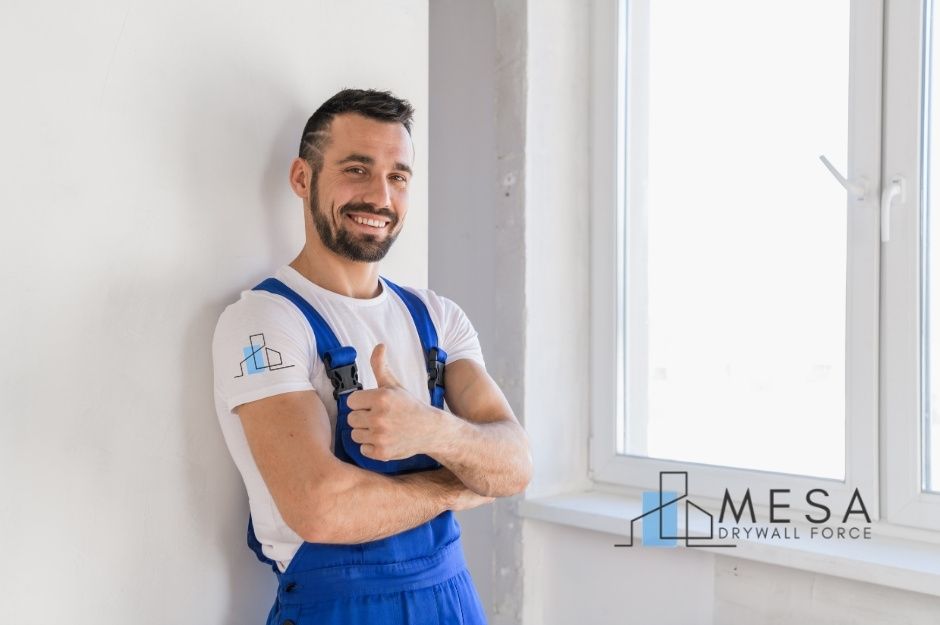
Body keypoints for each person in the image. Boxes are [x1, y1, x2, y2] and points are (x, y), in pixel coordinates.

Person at [211, 88, 533, 625]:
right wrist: (458, 480)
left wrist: (431, 431)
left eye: (398, 176)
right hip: (337, 609)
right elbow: (319, 507)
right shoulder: (265, 321)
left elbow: (516, 466)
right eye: (356, 169)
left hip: (454, 600)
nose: (380, 197)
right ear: (302, 178)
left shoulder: (437, 316)